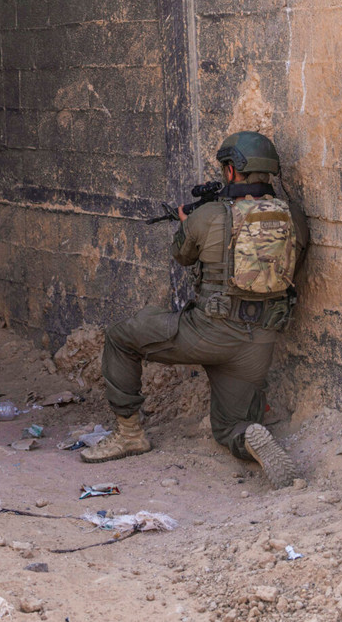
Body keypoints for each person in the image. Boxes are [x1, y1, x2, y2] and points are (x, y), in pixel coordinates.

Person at [81, 132, 309, 488]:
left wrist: (188, 220)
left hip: (208, 332)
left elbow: (182, 255)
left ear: (231, 170)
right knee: (230, 426)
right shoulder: (292, 217)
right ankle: (250, 438)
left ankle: (129, 435)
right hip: (259, 343)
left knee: (122, 336)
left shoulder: (211, 215)